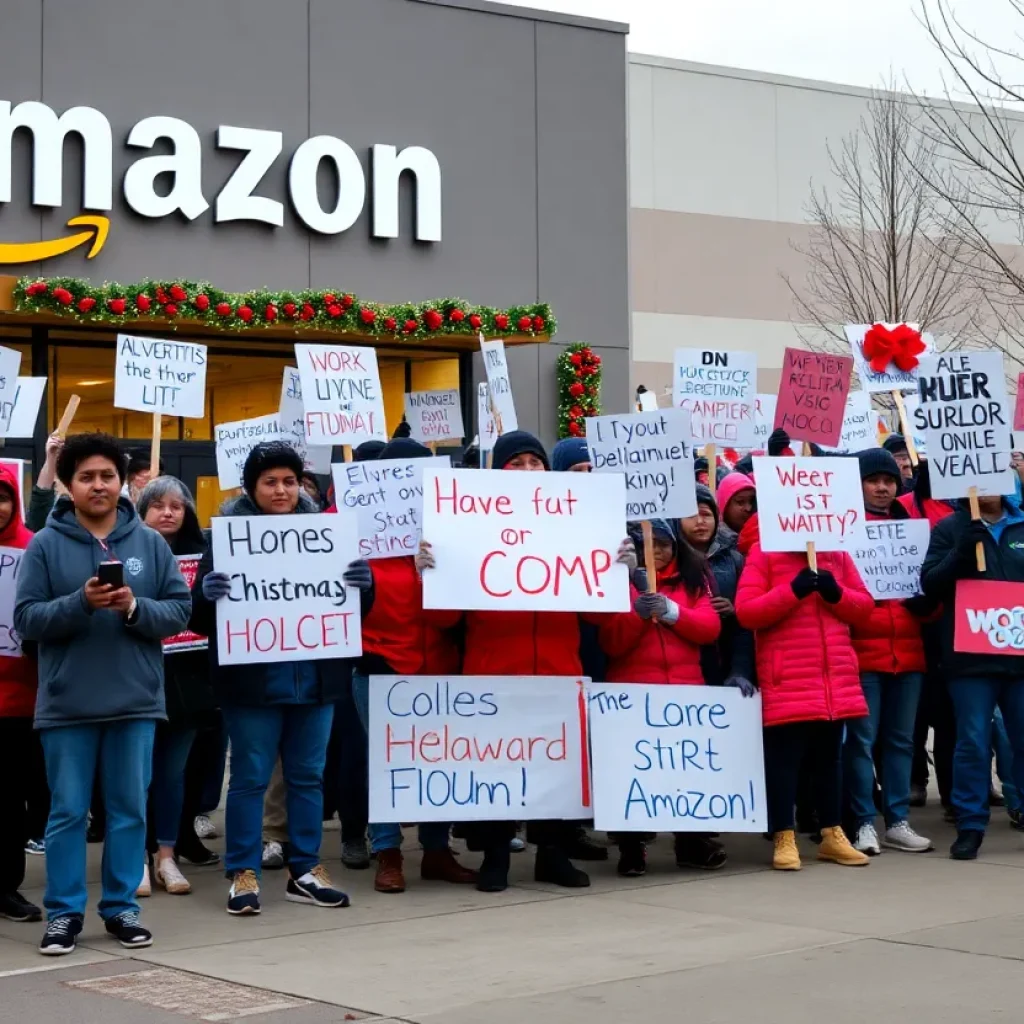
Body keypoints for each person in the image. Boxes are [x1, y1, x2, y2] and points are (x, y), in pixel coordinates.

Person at [416, 430, 636, 892]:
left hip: (557, 671)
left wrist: (618, 568)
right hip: (493, 672)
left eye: (535, 462)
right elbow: (441, 616)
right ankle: (496, 856)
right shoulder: (468, 529)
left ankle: (552, 856)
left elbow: (601, 612)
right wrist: (430, 571)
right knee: (498, 770)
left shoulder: (575, 527)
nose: (528, 471)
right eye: (516, 463)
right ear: (498, 473)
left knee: (555, 773)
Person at [14, 433, 191, 956]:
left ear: (120, 482)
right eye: (87, 476)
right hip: (67, 705)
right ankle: (64, 914)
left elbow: (178, 611)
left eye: (107, 476)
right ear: (68, 485)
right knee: (67, 812)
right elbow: (27, 619)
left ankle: (120, 908)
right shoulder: (46, 544)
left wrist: (135, 607)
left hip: (134, 701)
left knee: (127, 809)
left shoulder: (150, 544)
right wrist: (81, 603)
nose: (98, 485)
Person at [191, 441, 363, 914]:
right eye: (270, 481)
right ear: (252, 487)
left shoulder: (329, 536)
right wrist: (206, 594)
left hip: (316, 680)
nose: (281, 489)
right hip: (253, 683)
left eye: (289, 480)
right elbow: (198, 620)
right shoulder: (227, 538)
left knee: (308, 777)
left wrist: (360, 590)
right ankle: (242, 871)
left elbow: (348, 613)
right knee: (249, 778)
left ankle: (304, 868)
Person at [351, 436, 478, 893]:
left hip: (439, 664)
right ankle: (387, 851)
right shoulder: (360, 533)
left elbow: (450, 617)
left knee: (438, 759)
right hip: (382, 663)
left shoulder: (451, 533)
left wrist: (433, 575)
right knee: (384, 764)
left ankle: (436, 851)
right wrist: (357, 580)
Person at [736, 530, 874, 871]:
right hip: (789, 678)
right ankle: (784, 835)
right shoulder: (763, 552)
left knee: (830, 760)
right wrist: (792, 590)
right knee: (785, 764)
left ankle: (832, 834)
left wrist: (835, 593)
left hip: (833, 680)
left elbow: (864, 607)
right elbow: (747, 612)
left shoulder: (837, 554)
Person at [599, 518, 723, 876]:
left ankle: (690, 841)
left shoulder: (692, 581)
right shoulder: (617, 585)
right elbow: (611, 643)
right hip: (634, 694)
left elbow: (709, 628)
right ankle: (632, 846)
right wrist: (638, 615)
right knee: (633, 776)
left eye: (663, 544)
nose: (655, 551)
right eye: (645, 546)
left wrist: (671, 612)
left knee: (686, 775)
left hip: (685, 696)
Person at [920, 489, 1024, 860]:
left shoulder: (1022, 523)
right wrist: (960, 553)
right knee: (972, 742)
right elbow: (929, 583)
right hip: (970, 659)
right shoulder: (951, 528)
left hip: (1019, 658)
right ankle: (970, 825)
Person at [845, 449, 933, 855]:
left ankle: (897, 821)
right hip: (862, 654)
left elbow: (931, 589)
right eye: (873, 479)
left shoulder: (913, 528)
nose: (882, 487)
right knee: (862, 741)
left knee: (901, 741)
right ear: (857, 483)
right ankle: (864, 822)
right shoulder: (842, 529)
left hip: (909, 652)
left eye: (889, 480)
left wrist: (928, 604)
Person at [136, 477, 220, 896]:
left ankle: (167, 855)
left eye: (177, 506)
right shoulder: (123, 552)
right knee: (136, 775)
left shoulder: (206, 558)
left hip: (188, 683)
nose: (167, 513)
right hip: (137, 681)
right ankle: (136, 857)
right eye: (157, 506)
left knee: (171, 774)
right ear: (141, 510)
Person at [0, 464, 44, 924]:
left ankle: (6, 885)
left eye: (3, 497)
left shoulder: (32, 549)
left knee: (18, 800)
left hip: (22, 699)